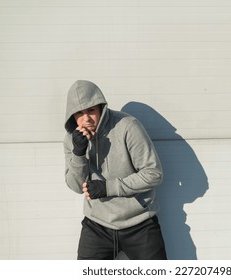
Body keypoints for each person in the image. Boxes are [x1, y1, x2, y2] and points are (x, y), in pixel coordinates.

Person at [63, 80, 167, 260]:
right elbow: (76, 186)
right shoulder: (71, 139)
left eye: (91, 111)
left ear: (101, 108)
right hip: (97, 225)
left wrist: (107, 188)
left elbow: (153, 173)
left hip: (140, 223)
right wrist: (78, 153)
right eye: (79, 113)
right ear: (71, 116)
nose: (86, 118)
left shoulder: (127, 125)